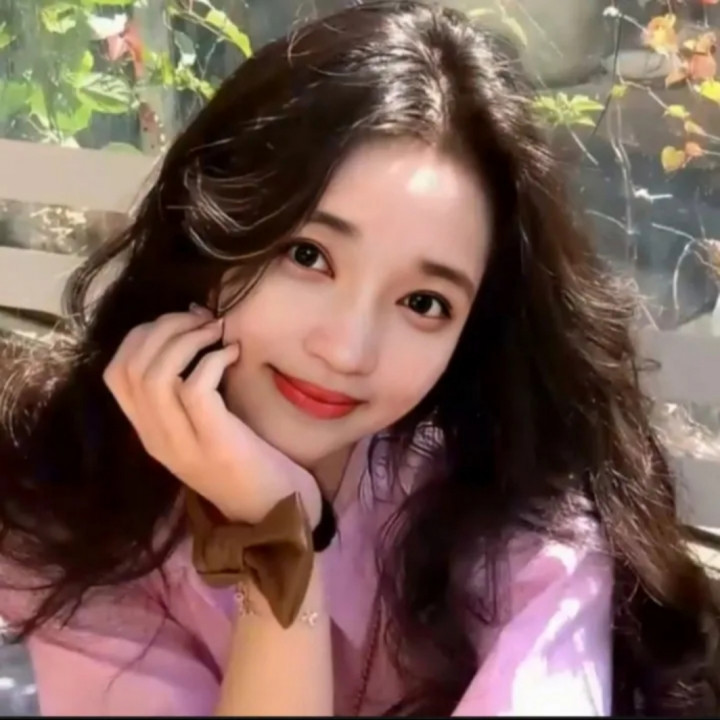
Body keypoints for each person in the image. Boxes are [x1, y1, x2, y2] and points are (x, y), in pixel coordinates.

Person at [0, 1, 718, 716]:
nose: (346, 350)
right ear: (208, 229)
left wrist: (276, 535)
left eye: (424, 302)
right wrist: (277, 542)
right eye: (307, 256)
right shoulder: (78, 514)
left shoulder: (522, 526)